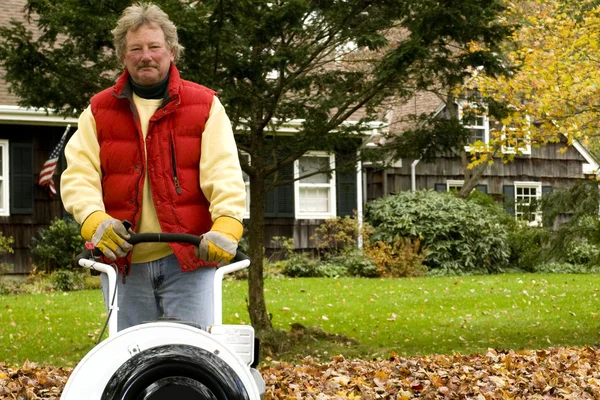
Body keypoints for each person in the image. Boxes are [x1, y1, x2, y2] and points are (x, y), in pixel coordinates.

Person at [60, 2, 246, 332]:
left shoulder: (204, 105)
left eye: (154, 47)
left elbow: (224, 171)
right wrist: (93, 220)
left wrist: (228, 222)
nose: (146, 56)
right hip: (124, 265)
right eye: (136, 48)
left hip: (190, 261)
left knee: (191, 357)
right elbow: (79, 174)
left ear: (171, 51)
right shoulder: (98, 110)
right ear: (123, 55)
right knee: (130, 362)